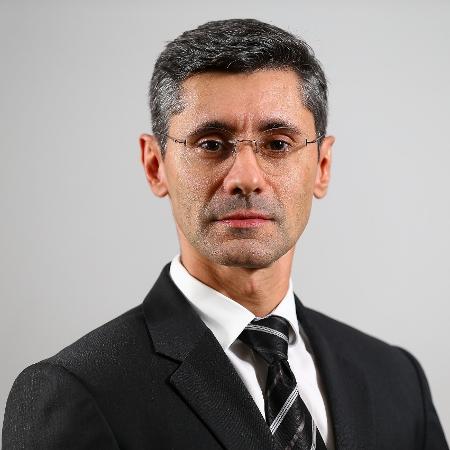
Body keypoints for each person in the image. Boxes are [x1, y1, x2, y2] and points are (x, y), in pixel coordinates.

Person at [2, 18, 448, 450]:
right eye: (211, 144)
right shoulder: (77, 392)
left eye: (278, 144)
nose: (246, 178)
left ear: (322, 166)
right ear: (155, 165)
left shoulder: (397, 379)